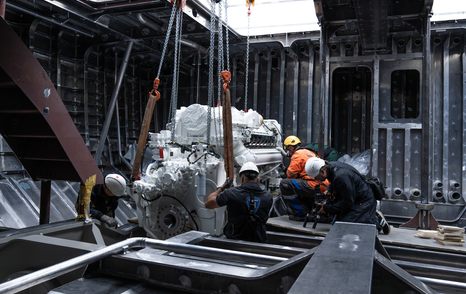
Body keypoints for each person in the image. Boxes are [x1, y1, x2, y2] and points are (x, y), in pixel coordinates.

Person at [205, 162, 272, 243]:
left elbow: (208, 203)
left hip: (234, 241)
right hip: (259, 240)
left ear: (242, 177)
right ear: (257, 178)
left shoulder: (231, 193)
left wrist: (222, 188)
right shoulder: (268, 196)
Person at [305, 157, 380, 228]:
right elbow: (337, 184)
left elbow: (347, 202)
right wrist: (329, 191)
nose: (317, 180)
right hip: (355, 196)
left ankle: (375, 220)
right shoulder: (331, 166)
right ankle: (368, 215)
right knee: (337, 222)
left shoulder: (341, 176)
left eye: (317, 177)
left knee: (344, 227)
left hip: (363, 201)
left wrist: (326, 209)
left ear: (322, 171)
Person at [279, 135, 328, 219]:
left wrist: (284, 171)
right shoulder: (310, 152)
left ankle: (300, 213)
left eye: (288, 149)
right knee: (299, 183)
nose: (288, 152)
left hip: (313, 184)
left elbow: (290, 174)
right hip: (324, 185)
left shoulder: (297, 154)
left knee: (285, 184)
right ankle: (309, 209)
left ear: (291, 147)